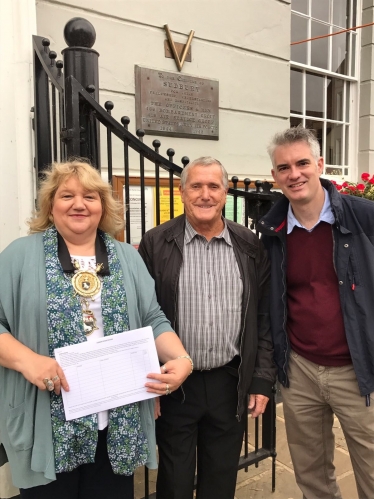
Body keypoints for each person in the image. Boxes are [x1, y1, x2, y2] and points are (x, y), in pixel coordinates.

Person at [0, 160, 193, 499]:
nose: (79, 204)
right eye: (67, 195)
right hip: (48, 421)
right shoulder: (19, 256)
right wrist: (28, 361)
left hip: (115, 422)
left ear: (102, 206)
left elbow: (152, 317)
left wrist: (181, 358)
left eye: (90, 196)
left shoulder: (127, 258)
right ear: (50, 205)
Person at [138, 156, 276, 499]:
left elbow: (263, 318)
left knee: (221, 476)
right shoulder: (157, 243)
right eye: (196, 186)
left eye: (213, 186)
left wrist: (260, 379)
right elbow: (140, 315)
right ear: (182, 193)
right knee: (174, 479)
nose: (205, 194)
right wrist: (145, 379)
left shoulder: (249, 245)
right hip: (174, 384)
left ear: (225, 192)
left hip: (229, 381)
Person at [257, 126, 374, 499]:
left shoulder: (363, 218)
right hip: (301, 370)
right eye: (284, 167)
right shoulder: (272, 232)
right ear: (274, 176)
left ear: (320, 164)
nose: (295, 174)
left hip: (359, 372)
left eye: (303, 163)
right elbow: (271, 304)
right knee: (312, 478)